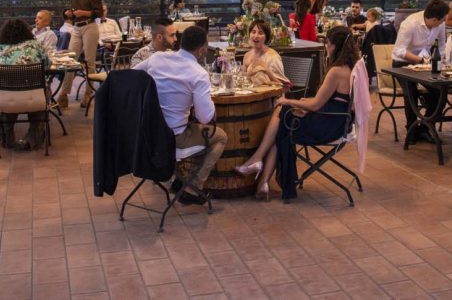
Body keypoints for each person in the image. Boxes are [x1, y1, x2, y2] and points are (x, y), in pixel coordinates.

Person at [235, 26, 358, 201]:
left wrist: (289, 101)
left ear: (334, 46)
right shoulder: (349, 67)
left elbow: (316, 105)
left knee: (282, 117)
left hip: (328, 126)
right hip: (337, 121)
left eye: (327, 44)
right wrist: (300, 102)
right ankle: (262, 179)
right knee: (283, 121)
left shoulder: (336, 71)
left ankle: (257, 162)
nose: (326, 48)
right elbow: (323, 101)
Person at [135, 26, 227, 205]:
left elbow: (132, 76)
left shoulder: (157, 58)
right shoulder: (198, 74)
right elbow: (205, 118)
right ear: (202, 50)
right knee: (220, 136)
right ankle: (194, 186)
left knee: (188, 126)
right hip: (173, 138)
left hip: (145, 133)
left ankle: (176, 178)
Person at [392, 0, 449, 142]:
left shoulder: (440, 25)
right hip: (402, 64)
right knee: (410, 91)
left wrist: (442, 61)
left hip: (426, 65)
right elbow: (399, 51)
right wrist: (421, 60)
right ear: (435, 19)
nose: (444, 22)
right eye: (442, 20)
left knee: (440, 90)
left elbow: (442, 46)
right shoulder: (410, 24)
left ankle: (427, 127)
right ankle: (411, 129)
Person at [0, 18, 51, 150]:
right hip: (35, 95)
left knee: (7, 98)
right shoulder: (36, 45)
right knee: (41, 101)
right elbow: (47, 65)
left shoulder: (0, 49)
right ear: (27, 31)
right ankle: (32, 140)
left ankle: (7, 140)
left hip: (7, 97)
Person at [59, 0, 103, 110]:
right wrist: (69, 13)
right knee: (70, 60)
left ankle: (88, 94)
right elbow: (73, 10)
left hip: (90, 27)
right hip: (76, 28)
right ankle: (63, 94)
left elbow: (98, 12)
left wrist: (83, 12)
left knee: (90, 62)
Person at [242, 20, 291, 87]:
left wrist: (266, 69)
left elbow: (284, 87)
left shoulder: (273, 57)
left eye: (260, 33)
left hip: (270, 96)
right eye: (253, 32)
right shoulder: (247, 55)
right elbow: (243, 80)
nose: (256, 36)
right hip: (250, 94)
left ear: (266, 37)